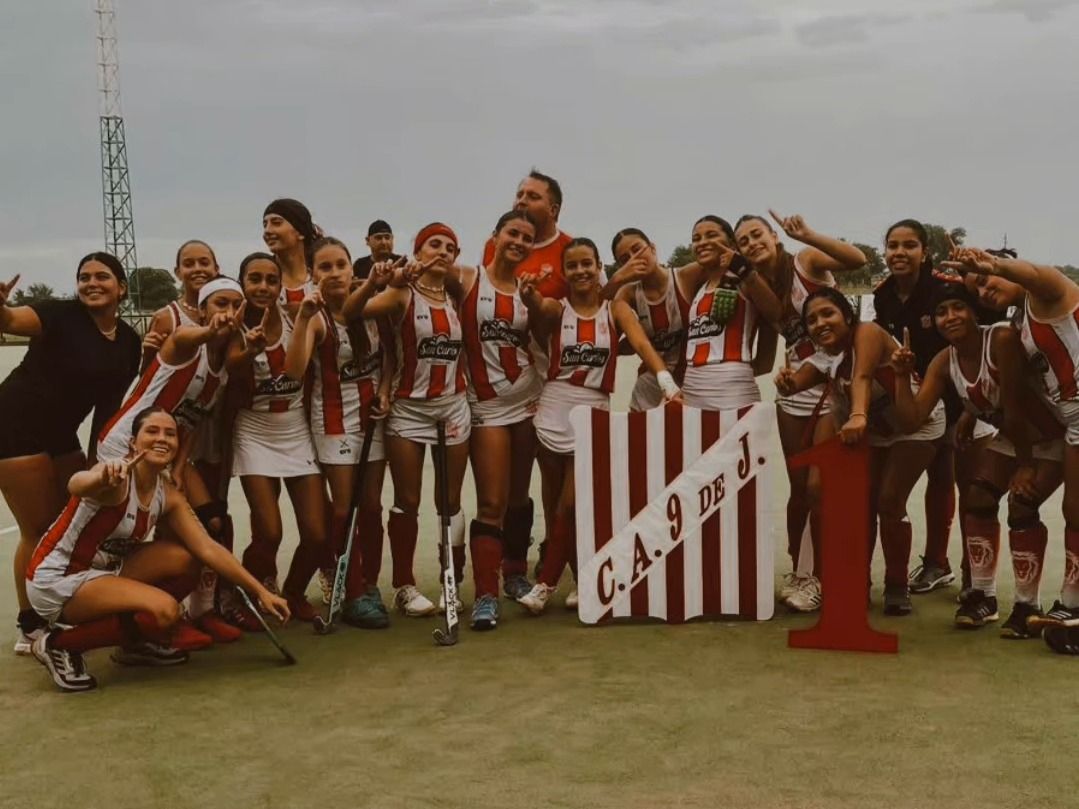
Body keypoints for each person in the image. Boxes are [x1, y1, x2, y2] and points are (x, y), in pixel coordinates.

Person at [25, 407, 289, 692]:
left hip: (104, 572)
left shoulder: (167, 494)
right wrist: (102, 477)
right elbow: (76, 483)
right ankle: (57, 645)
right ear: (132, 442)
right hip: (58, 580)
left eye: (170, 433)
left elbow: (209, 549)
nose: (162, 438)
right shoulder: (116, 477)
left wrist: (261, 591)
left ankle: (134, 644)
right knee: (164, 611)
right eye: (152, 431)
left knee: (187, 560)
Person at [516, 237, 682, 614]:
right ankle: (580, 576)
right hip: (553, 410)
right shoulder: (557, 310)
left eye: (587, 263)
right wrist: (528, 294)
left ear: (598, 266)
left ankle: (544, 586)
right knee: (554, 501)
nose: (580, 271)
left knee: (572, 506)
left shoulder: (615, 309)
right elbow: (537, 307)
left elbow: (642, 345)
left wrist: (665, 381)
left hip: (593, 411)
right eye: (572, 265)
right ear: (564, 271)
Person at [890, 282, 1064, 635]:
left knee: (1022, 504)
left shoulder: (999, 339)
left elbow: (1013, 406)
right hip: (1016, 438)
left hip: (1052, 437)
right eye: (941, 311)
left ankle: (1027, 607)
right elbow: (911, 419)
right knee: (978, 499)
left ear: (973, 312)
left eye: (958, 307)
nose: (950, 317)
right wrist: (899, 375)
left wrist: (1026, 465)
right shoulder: (943, 361)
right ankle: (981, 597)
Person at [0, 253, 140, 654]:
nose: (92, 283)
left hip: (61, 433)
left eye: (102, 276)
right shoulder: (59, 315)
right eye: (84, 277)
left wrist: (103, 460)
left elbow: (109, 410)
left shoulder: (128, 342)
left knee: (73, 517)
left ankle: (66, 601)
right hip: (14, 424)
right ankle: (30, 625)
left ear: (121, 288)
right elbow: (9, 321)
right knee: (39, 527)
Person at [775, 287, 945, 616]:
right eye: (811, 320)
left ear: (848, 316)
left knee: (890, 499)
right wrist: (786, 382)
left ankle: (897, 586)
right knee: (863, 504)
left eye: (828, 314)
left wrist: (857, 415)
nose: (820, 323)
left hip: (916, 424)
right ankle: (858, 584)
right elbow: (796, 383)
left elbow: (863, 375)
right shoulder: (824, 355)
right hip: (876, 431)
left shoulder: (867, 333)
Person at [97, 276, 245, 643]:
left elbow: (190, 422)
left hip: (168, 454)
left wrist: (179, 469)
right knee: (133, 535)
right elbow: (184, 337)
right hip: (126, 449)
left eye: (233, 305)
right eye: (218, 304)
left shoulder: (220, 368)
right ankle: (136, 617)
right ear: (203, 309)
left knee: (212, 522)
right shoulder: (185, 342)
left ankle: (201, 610)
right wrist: (209, 330)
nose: (226, 313)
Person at [732, 212, 867, 613]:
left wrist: (808, 234)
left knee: (818, 487)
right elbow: (768, 351)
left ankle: (826, 574)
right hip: (794, 394)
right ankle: (802, 572)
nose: (752, 243)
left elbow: (857, 259)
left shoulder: (806, 261)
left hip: (832, 387)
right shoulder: (756, 285)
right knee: (798, 492)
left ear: (773, 236)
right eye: (743, 241)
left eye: (757, 235)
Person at [948, 245, 1079, 649]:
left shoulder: (1050, 295)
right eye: (976, 288)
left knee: (1074, 509)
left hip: (1071, 418)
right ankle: (1060, 605)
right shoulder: (1018, 321)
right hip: (1069, 420)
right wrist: (972, 412)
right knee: (1071, 509)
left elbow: (1039, 274)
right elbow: (1020, 384)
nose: (984, 290)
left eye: (988, 281)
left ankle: (1072, 605)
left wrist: (997, 264)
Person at [345, 223, 471, 619]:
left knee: (449, 501)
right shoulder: (401, 293)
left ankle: (453, 578)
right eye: (435, 244)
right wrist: (380, 281)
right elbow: (352, 312)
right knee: (408, 500)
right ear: (417, 249)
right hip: (408, 408)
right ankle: (404, 585)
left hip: (452, 406)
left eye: (450, 247)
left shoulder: (457, 293)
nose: (443, 251)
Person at [873, 220, 996, 597]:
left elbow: (985, 325)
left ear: (924, 252)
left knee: (970, 488)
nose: (900, 252)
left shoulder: (945, 286)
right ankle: (936, 564)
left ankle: (973, 574)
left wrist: (975, 272)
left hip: (964, 400)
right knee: (938, 479)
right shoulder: (883, 295)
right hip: (923, 401)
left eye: (909, 245)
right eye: (893, 245)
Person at [286, 237, 393, 629]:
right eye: (325, 268)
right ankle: (350, 591)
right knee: (344, 509)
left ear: (353, 268)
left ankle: (370, 585)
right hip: (332, 423)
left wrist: (384, 392)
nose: (334, 274)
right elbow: (294, 371)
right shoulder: (315, 316)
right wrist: (301, 318)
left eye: (340, 265)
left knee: (373, 507)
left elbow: (389, 359)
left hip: (372, 422)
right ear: (313, 274)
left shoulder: (372, 307)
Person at [226, 253, 327, 623]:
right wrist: (247, 351)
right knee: (268, 530)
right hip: (254, 429)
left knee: (318, 533)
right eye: (255, 279)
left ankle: (295, 593)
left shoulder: (296, 317)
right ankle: (255, 594)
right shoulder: (231, 326)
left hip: (295, 428)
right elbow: (225, 367)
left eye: (271, 280)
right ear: (242, 283)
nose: (264, 287)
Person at [456, 210, 543, 627]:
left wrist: (536, 303)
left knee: (519, 496)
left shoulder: (528, 289)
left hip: (526, 400)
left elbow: (539, 336)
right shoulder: (469, 278)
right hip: (486, 406)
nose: (520, 242)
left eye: (528, 237)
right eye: (513, 233)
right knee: (491, 501)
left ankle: (515, 575)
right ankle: (485, 594)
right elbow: (427, 279)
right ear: (495, 235)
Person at [602, 227, 691, 412]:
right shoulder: (628, 293)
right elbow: (594, 318)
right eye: (625, 260)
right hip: (651, 386)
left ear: (652, 248)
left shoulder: (685, 276)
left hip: (695, 381)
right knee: (640, 440)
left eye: (637, 249)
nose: (634, 259)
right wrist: (616, 280)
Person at [482, 170, 573, 299]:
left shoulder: (573, 251)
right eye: (519, 195)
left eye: (533, 197)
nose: (522, 201)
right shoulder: (494, 244)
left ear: (553, 210)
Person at [262, 198, 318, 315]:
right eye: (265, 225)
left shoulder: (321, 274)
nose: (267, 231)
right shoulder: (261, 281)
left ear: (300, 232)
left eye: (276, 223)